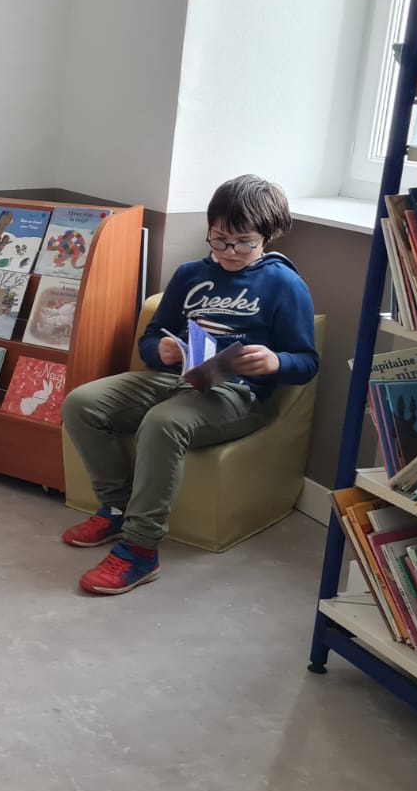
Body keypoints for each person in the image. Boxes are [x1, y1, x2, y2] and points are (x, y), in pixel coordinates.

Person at [60, 174, 319, 595]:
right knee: (80, 403)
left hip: (238, 394)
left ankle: (141, 549)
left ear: (267, 237)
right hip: (175, 377)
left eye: (243, 243)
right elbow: (151, 338)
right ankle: (117, 508)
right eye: (219, 239)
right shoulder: (189, 274)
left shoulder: (285, 284)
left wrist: (275, 361)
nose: (229, 252)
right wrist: (159, 349)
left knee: (163, 424)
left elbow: (307, 363)